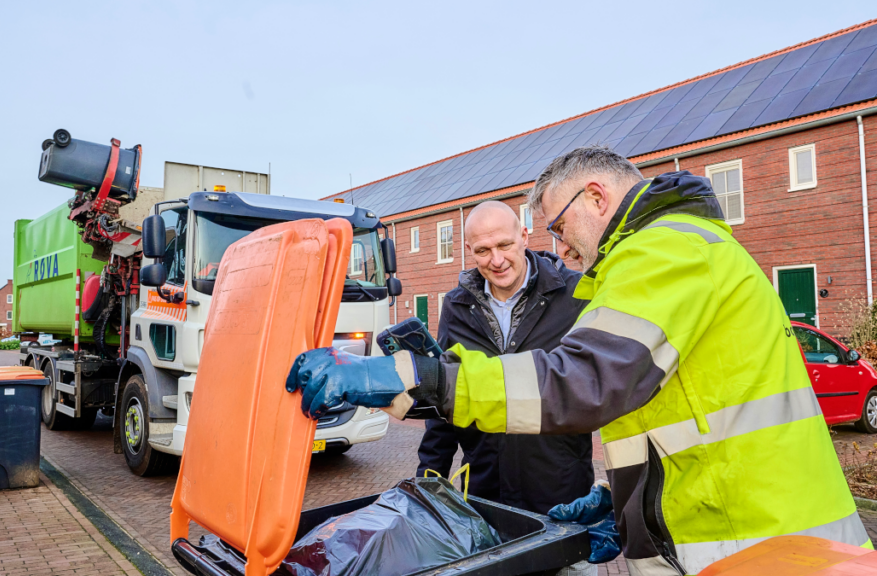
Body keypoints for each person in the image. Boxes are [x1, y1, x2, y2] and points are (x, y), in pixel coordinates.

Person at [288, 145, 870, 575]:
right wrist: (625, 503)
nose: (560, 246)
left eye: (560, 226)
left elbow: (582, 380)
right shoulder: (675, 252)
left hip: (763, 544)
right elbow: (679, 407)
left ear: (596, 196)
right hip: (741, 532)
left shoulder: (665, 250)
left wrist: (415, 375)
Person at [418, 200, 596, 576]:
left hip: (561, 500)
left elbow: (602, 386)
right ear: (469, 250)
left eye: (504, 245)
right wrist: (427, 485)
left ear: (524, 237)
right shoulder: (456, 306)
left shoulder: (575, 295)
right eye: (483, 250)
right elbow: (444, 401)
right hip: (486, 503)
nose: (496, 260)